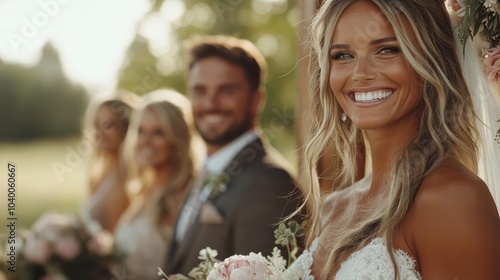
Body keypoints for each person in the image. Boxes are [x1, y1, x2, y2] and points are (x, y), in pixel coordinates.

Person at [292, 0, 500, 279]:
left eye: (387, 50)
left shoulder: (451, 199)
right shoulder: (334, 207)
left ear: (433, 61)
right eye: (342, 55)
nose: (360, 73)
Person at [164, 35, 305, 276]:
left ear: (256, 99)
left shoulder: (270, 183)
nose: (211, 103)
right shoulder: (206, 170)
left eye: (226, 91)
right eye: (200, 90)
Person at [114, 89, 203, 279]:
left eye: (158, 133)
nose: (146, 142)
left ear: (177, 139)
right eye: (141, 131)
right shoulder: (143, 192)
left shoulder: (183, 197)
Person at [79, 90, 139, 232]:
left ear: (126, 127)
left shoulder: (126, 180)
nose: (100, 133)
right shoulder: (101, 173)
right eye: (96, 124)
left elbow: (112, 237)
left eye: (109, 125)